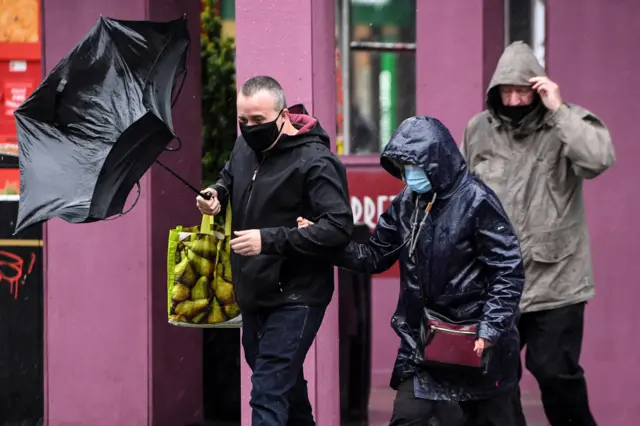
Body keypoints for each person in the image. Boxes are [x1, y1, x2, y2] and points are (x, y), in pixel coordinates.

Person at [299, 116, 525, 426]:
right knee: (407, 418)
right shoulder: (407, 203)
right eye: (403, 166)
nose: (408, 174)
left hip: (475, 344)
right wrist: (322, 242)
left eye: (414, 164)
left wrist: (490, 327)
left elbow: (507, 269)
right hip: (424, 344)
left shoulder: (477, 201)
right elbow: (374, 255)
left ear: (436, 161)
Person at [460, 41, 615, 426]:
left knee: (554, 373)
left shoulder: (567, 121)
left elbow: (598, 160)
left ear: (538, 88)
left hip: (557, 279)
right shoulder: (478, 129)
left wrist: (558, 110)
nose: (514, 100)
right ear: (494, 92)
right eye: (506, 92)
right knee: (493, 378)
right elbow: (462, 193)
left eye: (522, 90)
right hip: (497, 281)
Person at [196, 75, 353, 426]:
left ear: (283, 115)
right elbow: (231, 176)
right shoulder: (243, 147)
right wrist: (217, 194)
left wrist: (268, 240)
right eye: (243, 121)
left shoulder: (315, 161)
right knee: (287, 392)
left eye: (259, 121)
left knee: (267, 390)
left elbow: (339, 227)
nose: (250, 128)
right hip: (254, 290)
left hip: (298, 294)